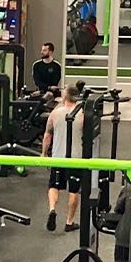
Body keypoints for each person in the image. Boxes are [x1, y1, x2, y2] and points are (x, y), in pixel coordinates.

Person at [40, 86, 86, 232]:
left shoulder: (55, 114)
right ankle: (69, 222)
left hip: (58, 157)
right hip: (75, 158)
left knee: (54, 185)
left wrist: (43, 153)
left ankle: (52, 209)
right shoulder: (82, 115)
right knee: (74, 190)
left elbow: (47, 136)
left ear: (65, 96)